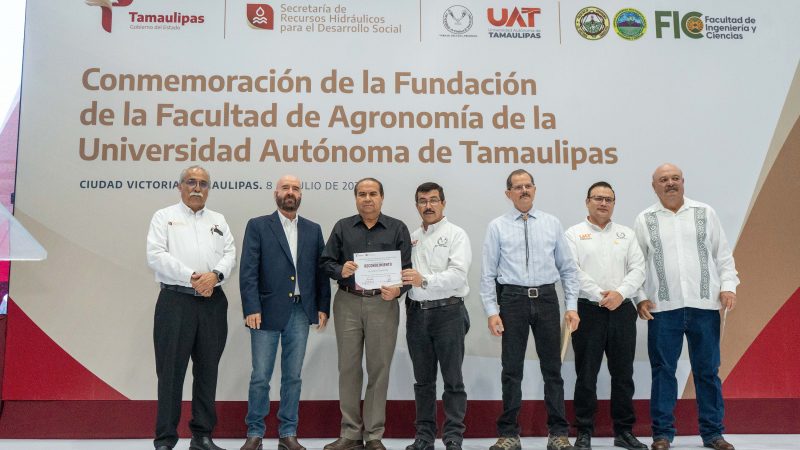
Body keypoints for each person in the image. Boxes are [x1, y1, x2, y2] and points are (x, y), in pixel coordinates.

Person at [634, 164, 739, 450]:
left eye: (675, 178)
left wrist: (728, 286)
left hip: (704, 306)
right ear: (654, 186)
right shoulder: (645, 219)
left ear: (683, 181)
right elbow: (636, 264)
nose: (670, 183)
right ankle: (662, 435)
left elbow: (723, 255)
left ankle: (713, 434)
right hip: (662, 308)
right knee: (663, 371)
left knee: (707, 371)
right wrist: (640, 297)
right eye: (663, 180)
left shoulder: (705, 213)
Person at [480, 169, 580, 450]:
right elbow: (487, 274)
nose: (524, 190)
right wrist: (491, 311)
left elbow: (568, 270)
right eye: (517, 187)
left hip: (547, 299)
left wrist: (571, 306)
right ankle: (509, 434)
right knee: (511, 369)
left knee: (553, 369)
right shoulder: (497, 226)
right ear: (508, 193)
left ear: (535, 189)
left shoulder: (552, 223)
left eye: (528, 186)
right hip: (512, 300)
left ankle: (558, 433)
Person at [239, 175, 332, 450]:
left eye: (295, 188)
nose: (290, 192)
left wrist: (322, 307)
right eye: (285, 188)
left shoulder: (313, 229)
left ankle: (288, 433)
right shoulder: (258, 226)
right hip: (265, 312)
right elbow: (248, 270)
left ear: (300, 195)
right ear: (276, 194)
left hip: (301, 312)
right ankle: (255, 433)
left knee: (293, 377)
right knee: (260, 376)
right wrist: (251, 307)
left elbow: (321, 272)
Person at [146, 165, 235, 450]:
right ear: (180, 186)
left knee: (208, 371)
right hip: (176, 302)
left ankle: (202, 436)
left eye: (203, 183)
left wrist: (215, 276)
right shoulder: (164, 217)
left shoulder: (219, 219)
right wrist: (192, 277)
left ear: (209, 189)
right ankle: (165, 439)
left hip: (212, 303)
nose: (197, 188)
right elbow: (156, 255)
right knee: (170, 372)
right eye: (191, 182)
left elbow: (230, 253)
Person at [320, 178, 412, 450]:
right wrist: (341, 270)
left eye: (373, 194)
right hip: (347, 301)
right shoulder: (342, 227)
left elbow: (407, 270)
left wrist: (399, 290)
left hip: (383, 304)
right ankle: (350, 433)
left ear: (382, 197)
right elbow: (326, 262)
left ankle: (373, 435)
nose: (367, 199)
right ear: (356, 198)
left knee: (379, 369)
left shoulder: (397, 228)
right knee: (348, 368)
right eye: (362, 194)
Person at [564, 182, 647, 450]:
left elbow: (638, 269)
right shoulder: (573, 234)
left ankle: (624, 431)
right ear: (587, 201)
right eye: (598, 198)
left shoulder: (627, 234)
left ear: (614, 203)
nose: (603, 203)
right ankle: (583, 432)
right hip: (588, 310)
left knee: (623, 374)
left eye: (608, 199)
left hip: (622, 310)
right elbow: (571, 271)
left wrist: (620, 294)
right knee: (586, 374)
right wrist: (601, 294)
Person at [401, 182, 472, 450]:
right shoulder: (411, 237)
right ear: (416, 205)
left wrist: (424, 280)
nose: (428, 206)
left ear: (443, 203)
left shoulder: (457, 234)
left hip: (449, 312)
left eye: (433, 200)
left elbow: (458, 275)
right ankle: (424, 436)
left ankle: (453, 436)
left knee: (453, 379)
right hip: (416, 314)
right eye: (423, 201)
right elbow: (403, 274)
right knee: (423, 381)